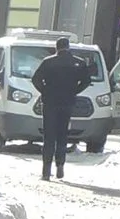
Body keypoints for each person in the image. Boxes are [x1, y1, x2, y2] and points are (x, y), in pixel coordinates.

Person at [31, 38, 93, 181]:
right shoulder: (78, 63)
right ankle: (60, 165)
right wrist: (74, 91)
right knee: (62, 135)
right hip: (67, 102)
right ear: (68, 47)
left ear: (56, 47)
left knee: (49, 136)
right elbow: (87, 81)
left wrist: (45, 91)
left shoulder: (48, 62)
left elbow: (36, 79)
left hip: (50, 102)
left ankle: (46, 170)